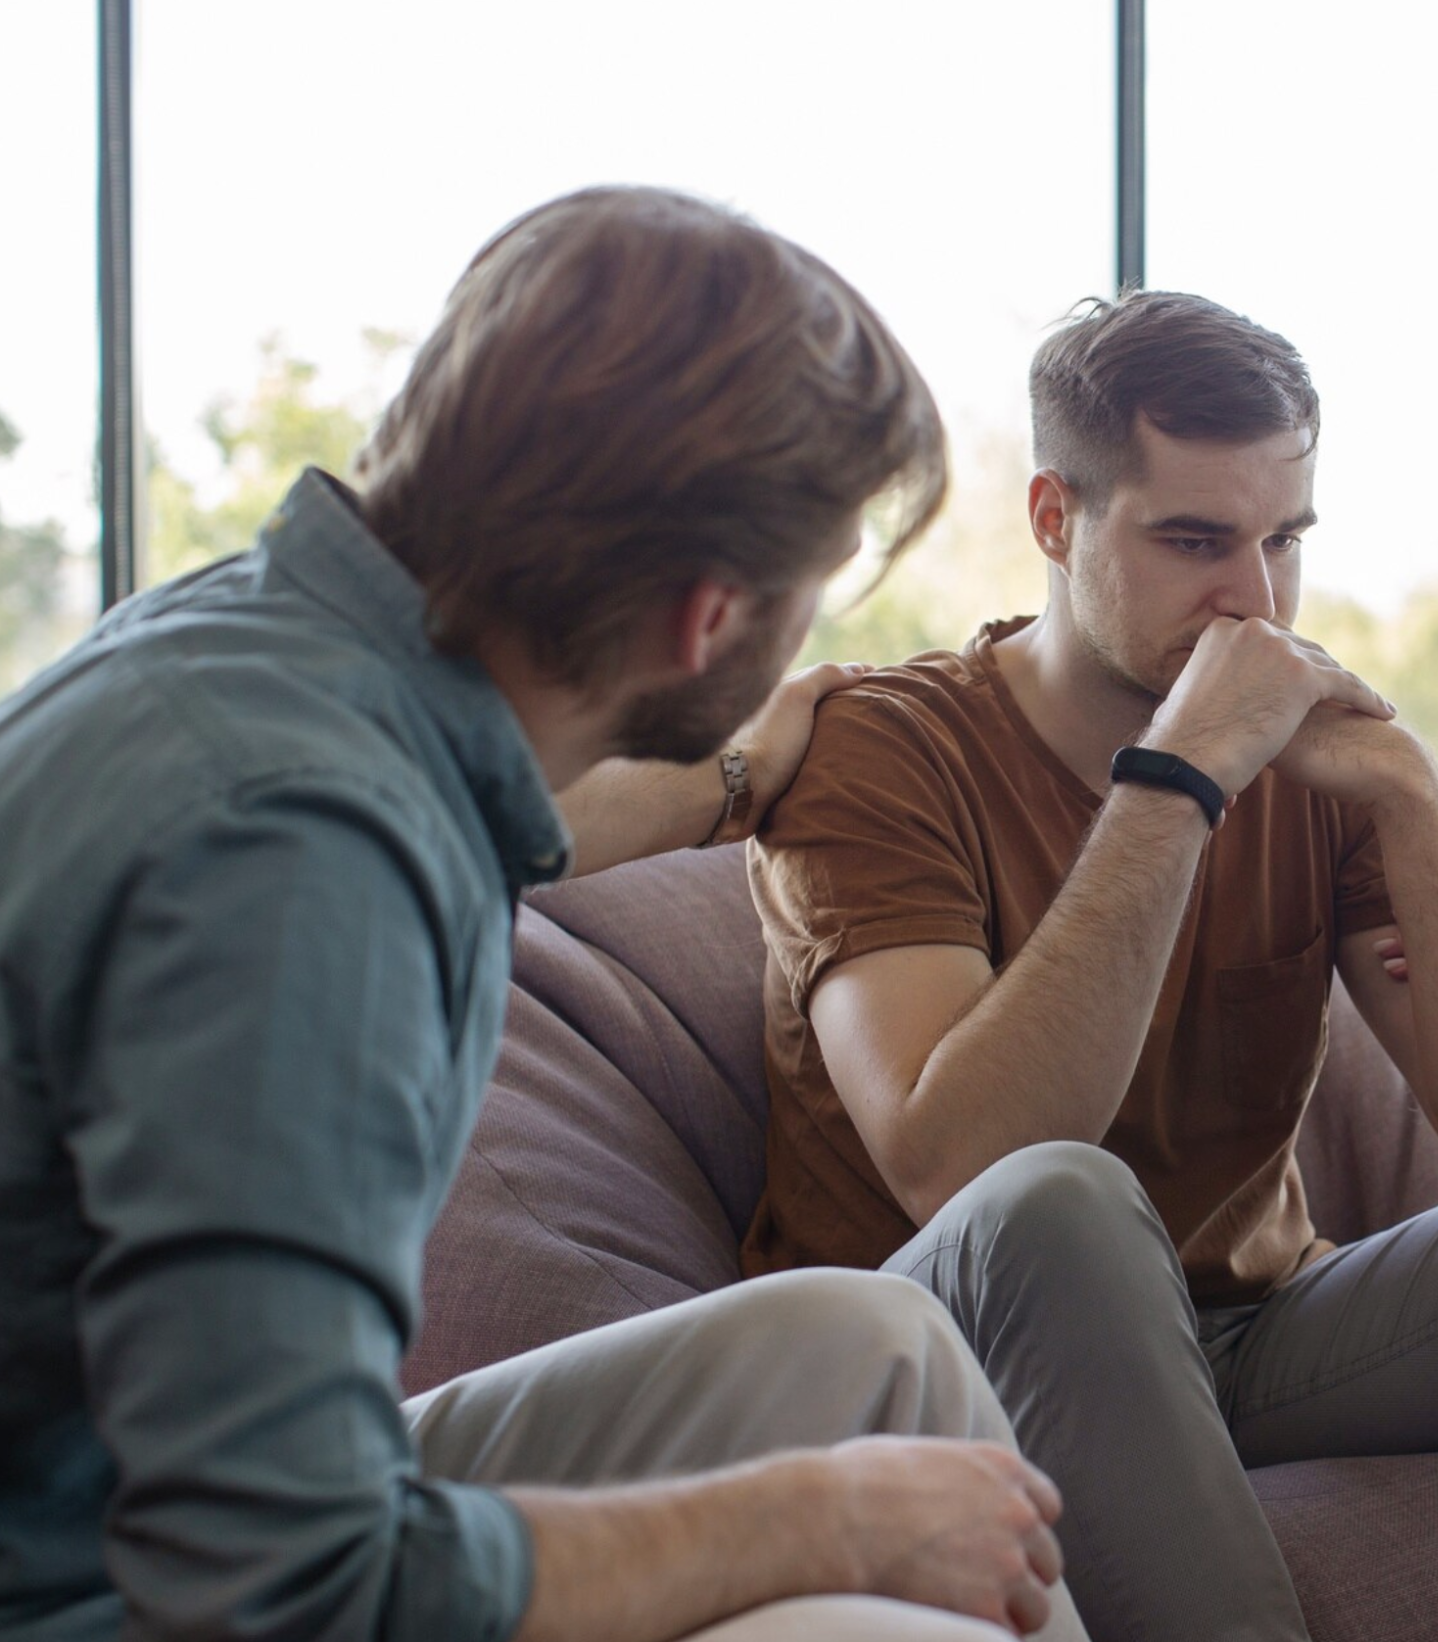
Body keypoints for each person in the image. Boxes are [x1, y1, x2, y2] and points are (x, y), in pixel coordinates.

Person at [0, 186, 1086, 1642]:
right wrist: (819, 1524)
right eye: (812, 592)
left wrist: (737, 773)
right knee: (884, 1621)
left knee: (869, 1339)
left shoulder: (261, 653)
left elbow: (498, 823)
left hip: (134, 1496)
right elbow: (281, 1582)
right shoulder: (302, 859)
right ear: (709, 618)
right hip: (120, 1586)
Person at [743, 290, 1438, 1642]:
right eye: (1194, 541)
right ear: (1055, 520)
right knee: (1062, 1200)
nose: (1252, 598)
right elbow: (960, 1165)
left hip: (1248, 1338)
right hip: (949, 1346)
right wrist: (1180, 777)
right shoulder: (889, 749)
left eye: (1283, 540)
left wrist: (1410, 795)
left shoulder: (1307, 752)